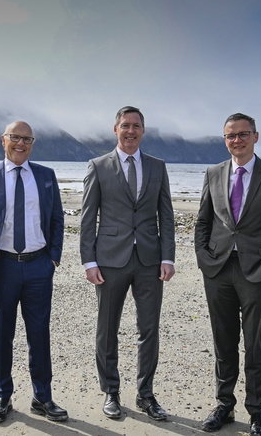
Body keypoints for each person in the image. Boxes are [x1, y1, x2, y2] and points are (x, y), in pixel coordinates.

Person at [194, 113, 261, 436]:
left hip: (257, 273)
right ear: (224, 140)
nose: (236, 140)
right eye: (230, 136)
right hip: (218, 270)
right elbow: (202, 223)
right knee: (223, 342)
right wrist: (203, 260)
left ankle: (256, 412)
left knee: (254, 344)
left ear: (255, 136)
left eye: (243, 134)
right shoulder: (213, 173)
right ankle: (224, 405)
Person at [79, 106, 175, 421]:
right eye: (125, 125)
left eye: (136, 126)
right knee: (107, 329)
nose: (130, 131)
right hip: (109, 261)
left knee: (149, 330)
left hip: (149, 260)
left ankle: (146, 395)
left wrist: (167, 256)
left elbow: (166, 216)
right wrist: (89, 261)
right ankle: (111, 392)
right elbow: (87, 218)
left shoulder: (158, 167)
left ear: (143, 131)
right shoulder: (98, 166)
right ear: (115, 129)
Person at [0, 121, 67, 424]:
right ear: (4, 140)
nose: (21, 143)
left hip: (39, 266)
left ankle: (43, 397)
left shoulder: (46, 176)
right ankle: (2, 397)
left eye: (27, 139)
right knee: (2, 335)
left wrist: (52, 259)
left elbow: (57, 220)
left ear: (33, 143)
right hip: (2, 267)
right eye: (15, 137)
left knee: (39, 334)